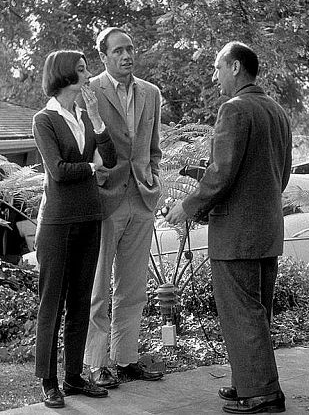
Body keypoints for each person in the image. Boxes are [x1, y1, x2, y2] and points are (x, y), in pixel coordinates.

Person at [166, 41, 292, 414]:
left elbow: (222, 175)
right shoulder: (277, 111)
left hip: (237, 234)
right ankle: (247, 382)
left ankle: (262, 394)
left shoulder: (234, 109)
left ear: (235, 67)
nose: (214, 74)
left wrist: (187, 206)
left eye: (218, 67)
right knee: (256, 312)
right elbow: (279, 175)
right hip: (267, 229)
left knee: (242, 313)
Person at [33, 50, 117, 408]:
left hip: (89, 219)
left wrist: (97, 119)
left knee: (82, 300)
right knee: (52, 303)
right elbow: (57, 170)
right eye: (82, 70)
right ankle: (49, 381)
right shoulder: (44, 119)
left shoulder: (85, 116)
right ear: (66, 75)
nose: (88, 75)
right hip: (57, 224)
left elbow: (110, 159)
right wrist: (90, 167)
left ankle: (73, 377)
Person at [83, 27, 164, 386]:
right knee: (98, 287)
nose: (127, 56)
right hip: (106, 199)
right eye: (118, 51)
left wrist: (154, 180)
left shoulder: (151, 93)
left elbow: (153, 147)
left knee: (133, 287)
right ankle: (97, 364)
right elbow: (84, 146)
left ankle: (126, 358)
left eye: (130, 49)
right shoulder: (91, 91)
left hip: (142, 198)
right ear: (103, 56)